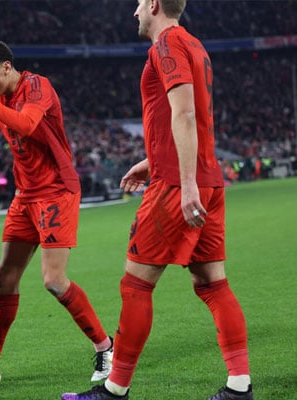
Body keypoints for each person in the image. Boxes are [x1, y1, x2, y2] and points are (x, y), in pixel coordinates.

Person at [61, 1, 252, 399]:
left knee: (135, 285)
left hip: (178, 186)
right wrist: (152, 160)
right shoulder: (194, 45)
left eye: (137, 3)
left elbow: (183, 115)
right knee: (212, 284)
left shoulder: (164, 46)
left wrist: (182, 184)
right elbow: (192, 116)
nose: (133, 12)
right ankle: (239, 386)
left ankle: (115, 390)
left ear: (153, 5)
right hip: (207, 179)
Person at [0, 39, 113, 390]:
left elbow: (28, 124)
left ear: (7, 67)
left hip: (57, 191)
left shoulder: (37, 87)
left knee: (53, 281)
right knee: (5, 278)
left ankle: (106, 348)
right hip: (25, 196)